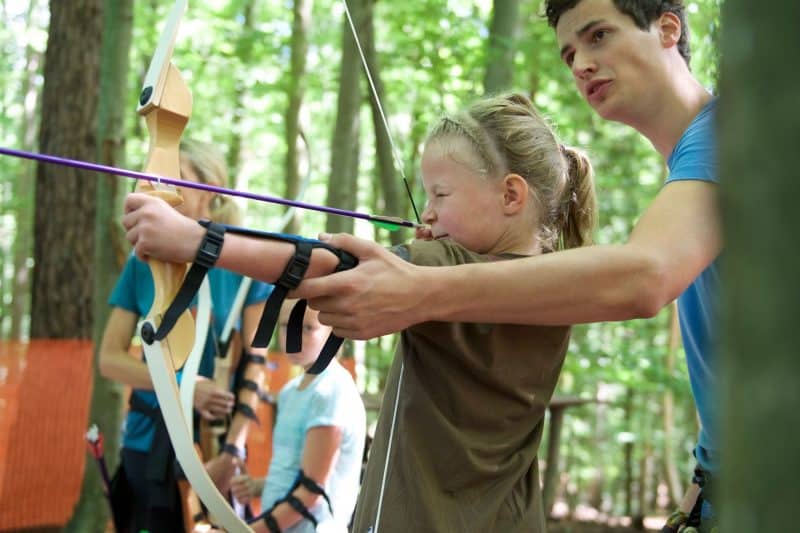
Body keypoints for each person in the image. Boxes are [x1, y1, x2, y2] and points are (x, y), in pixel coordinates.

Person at [297, 0, 720, 530]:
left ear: (666, 28)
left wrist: (420, 290)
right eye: (569, 53)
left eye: (598, 36)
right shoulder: (695, 165)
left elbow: (645, 278)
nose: (580, 63)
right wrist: (703, 486)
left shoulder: (728, 136)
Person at [121, 92, 598, 532]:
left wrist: (193, 239)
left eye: (442, 195)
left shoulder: (446, 266)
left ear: (511, 196)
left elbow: (330, 265)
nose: (426, 214)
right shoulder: (558, 287)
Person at [99, 139, 272, 532]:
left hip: (213, 446)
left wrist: (232, 451)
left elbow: (256, 363)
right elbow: (109, 359)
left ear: (212, 189)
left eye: (178, 178)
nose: (166, 188)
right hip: (148, 441)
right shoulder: (142, 260)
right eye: (159, 178)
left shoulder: (244, 258)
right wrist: (184, 387)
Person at [230, 299, 365, 533]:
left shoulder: (331, 390)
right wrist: (259, 486)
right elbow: (293, 470)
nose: (293, 336)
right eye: (285, 326)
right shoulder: (289, 392)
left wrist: (250, 531)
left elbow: (312, 491)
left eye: (307, 328)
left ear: (333, 330)